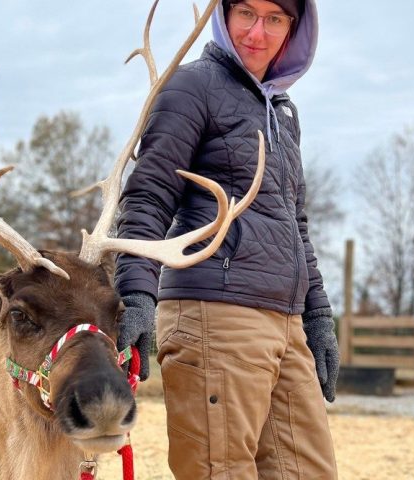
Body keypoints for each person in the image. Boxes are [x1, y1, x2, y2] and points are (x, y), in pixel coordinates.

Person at [115, 0, 339, 478]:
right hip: (214, 315)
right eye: (246, 14)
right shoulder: (192, 86)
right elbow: (148, 195)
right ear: (223, 15)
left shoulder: (281, 110)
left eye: (274, 19)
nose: (257, 33)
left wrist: (318, 316)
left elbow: (294, 225)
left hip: (286, 323)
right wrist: (135, 293)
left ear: (293, 29)